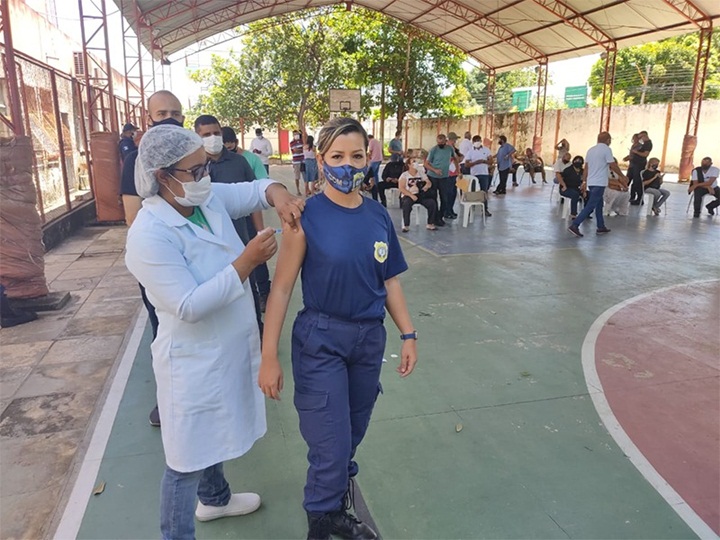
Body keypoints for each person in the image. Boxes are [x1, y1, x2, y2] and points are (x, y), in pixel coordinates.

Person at [125, 125, 304, 540]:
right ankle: (177, 534)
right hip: (191, 358)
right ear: (162, 177)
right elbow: (187, 305)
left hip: (224, 347)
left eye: (205, 166)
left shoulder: (205, 202)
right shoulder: (149, 235)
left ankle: (217, 499)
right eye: (194, 171)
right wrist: (246, 262)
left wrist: (279, 195)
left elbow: (255, 190)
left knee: (211, 435)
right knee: (185, 458)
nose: (205, 176)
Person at [258, 117, 418, 540]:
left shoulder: (379, 217)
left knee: (352, 432)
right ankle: (322, 522)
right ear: (320, 159)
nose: (348, 166)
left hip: (368, 339)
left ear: (369, 159)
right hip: (321, 338)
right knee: (329, 441)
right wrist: (268, 355)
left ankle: (333, 508)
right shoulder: (305, 217)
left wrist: (408, 334)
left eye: (357, 156)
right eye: (337, 157)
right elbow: (281, 289)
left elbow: (390, 281)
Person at [121, 89, 186, 428]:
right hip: (162, 256)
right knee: (165, 328)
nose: (169, 119)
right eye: (161, 114)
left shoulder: (191, 153)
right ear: (149, 118)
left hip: (192, 252)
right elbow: (133, 216)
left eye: (175, 112)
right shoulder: (136, 161)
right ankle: (168, 399)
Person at [195, 115, 272, 318]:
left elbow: (254, 195)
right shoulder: (194, 167)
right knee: (217, 289)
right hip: (208, 241)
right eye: (206, 134)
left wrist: (259, 231)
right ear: (197, 137)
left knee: (248, 284)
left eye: (216, 133)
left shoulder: (239, 162)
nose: (213, 138)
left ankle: (258, 329)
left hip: (240, 234)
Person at [568, 131, 627, 237]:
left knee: (599, 205)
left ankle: (601, 226)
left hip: (591, 182)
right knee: (591, 205)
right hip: (599, 182)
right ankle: (575, 225)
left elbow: (586, 168)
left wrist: (584, 181)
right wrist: (622, 175)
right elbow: (612, 165)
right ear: (608, 140)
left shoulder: (591, 150)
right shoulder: (607, 150)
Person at [424, 134, 458, 226]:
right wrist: (435, 170)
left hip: (444, 177)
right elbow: (426, 164)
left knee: (445, 198)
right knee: (433, 198)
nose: (440, 144)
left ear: (445, 141)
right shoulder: (433, 150)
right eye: (439, 142)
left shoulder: (449, 149)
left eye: (442, 142)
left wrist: (458, 170)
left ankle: (440, 216)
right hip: (433, 177)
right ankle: (434, 218)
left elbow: (455, 158)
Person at [398, 157, 438, 231]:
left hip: (420, 194)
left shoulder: (420, 173)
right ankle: (406, 225)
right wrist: (411, 195)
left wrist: (427, 186)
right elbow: (401, 188)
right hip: (408, 195)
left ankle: (430, 223)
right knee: (407, 204)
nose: (415, 163)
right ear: (409, 165)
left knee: (431, 203)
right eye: (413, 161)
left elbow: (428, 182)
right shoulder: (404, 175)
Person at [464, 135, 493, 217]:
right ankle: (471, 208)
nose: (477, 142)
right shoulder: (470, 152)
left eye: (479, 140)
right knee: (473, 191)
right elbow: (466, 164)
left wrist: (484, 161)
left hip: (484, 174)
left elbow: (491, 161)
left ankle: (484, 209)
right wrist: (475, 163)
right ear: (473, 142)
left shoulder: (486, 150)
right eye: (476, 140)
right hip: (474, 175)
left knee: (484, 192)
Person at [628, 130, 652, 205]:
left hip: (639, 165)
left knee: (637, 182)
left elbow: (645, 154)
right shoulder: (644, 143)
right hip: (633, 164)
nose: (640, 139)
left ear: (644, 136)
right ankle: (631, 197)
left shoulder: (648, 144)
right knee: (628, 179)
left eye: (640, 137)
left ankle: (639, 199)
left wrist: (636, 152)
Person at [291, 130, 305, 196]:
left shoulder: (302, 141)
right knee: (297, 176)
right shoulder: (292, 142)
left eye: (297, 134)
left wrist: (300, 149)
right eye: (295, 134)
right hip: (296, 161)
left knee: (305, 175)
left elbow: (304, 149)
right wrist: (301, 149)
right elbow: (295, 151)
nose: (296, 135)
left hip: (303, 160)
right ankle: (298, 190)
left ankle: (307, 189)